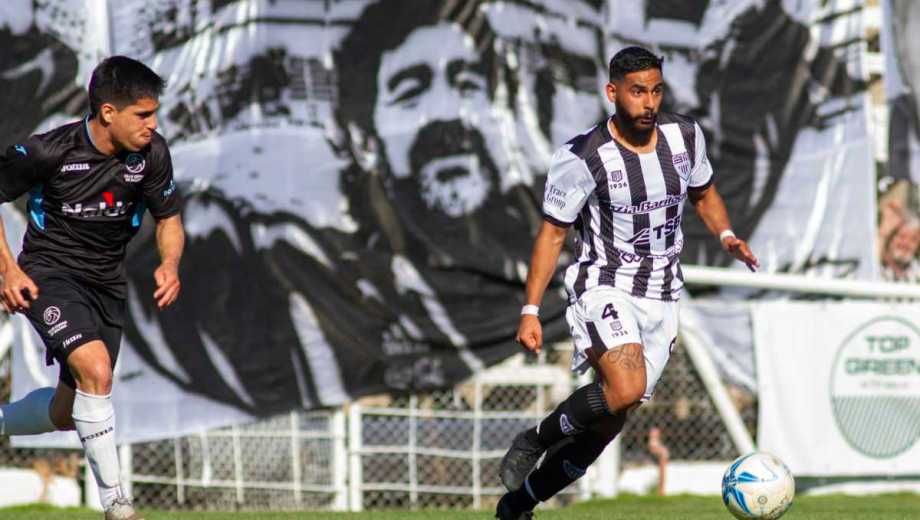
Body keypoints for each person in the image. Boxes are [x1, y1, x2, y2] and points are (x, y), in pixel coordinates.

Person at [496, 46, 759, 519]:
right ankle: (533, 440)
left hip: (663, 294)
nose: (649, 102)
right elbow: (552, 233)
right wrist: (530, 310)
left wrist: (726, 235)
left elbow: (704, 194)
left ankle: (520, 503)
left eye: (656, 91)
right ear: (613, 92)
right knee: (625, 386)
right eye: (638, 92)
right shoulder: (582, 156)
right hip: (605, 284)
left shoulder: (685, 137)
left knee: (609, 423)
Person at [0, 56, 184, 520]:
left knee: (68, 412)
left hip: (107, 285)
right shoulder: (47, 152)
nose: (152, 124)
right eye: (143, 114)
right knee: (96, 371)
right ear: (107, 112)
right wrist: (8, 271)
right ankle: (117, 506)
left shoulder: (152, 154)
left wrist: (170, 264)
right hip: (49, 276)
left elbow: (169, 218)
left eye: (154, 113)